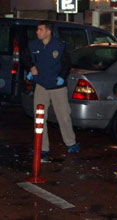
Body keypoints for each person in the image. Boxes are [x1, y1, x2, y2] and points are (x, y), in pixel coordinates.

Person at [21, 20, 80, 161]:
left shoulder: (60, 45)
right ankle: (42, 147)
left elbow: (66, 63)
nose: (37, 32)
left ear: (48, 31)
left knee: (63, 116)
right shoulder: (33, 44)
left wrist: (61, 76)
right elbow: (25, 57)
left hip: (57, 86)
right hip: (41, 85)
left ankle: (71, 143)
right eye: (37, 29)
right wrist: (30, 67)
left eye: (40, 29)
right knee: (39, 118)